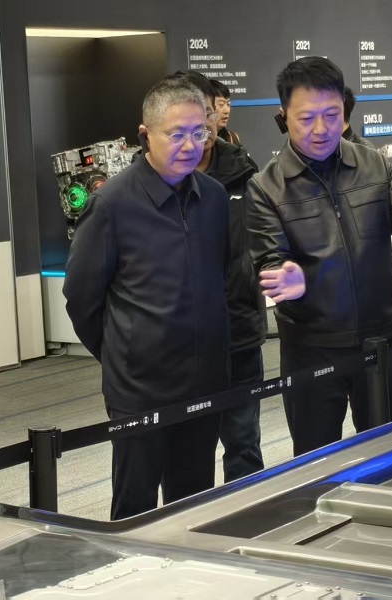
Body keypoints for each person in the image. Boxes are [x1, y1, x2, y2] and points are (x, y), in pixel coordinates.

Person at [246, 57, 392, 457]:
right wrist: (290, 278)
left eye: (332, 115)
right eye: (307, 118)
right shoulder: (266, 187)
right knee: (315, 460)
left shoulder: (372, 162)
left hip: (380, 342)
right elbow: (270, 259)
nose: (321, 129)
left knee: (390, 454)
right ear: (283, 115)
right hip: (311, 348)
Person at [63, 78, 231, 520]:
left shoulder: (213, 197)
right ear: (145, 135)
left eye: (199, 132)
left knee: (193, 505)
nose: (190, 145)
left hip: (205, 381)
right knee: (135, 509)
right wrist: (123, 353)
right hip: (140, 390)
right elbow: (81, 298)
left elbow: (224, 278)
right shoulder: (111, 204)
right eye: (176, 134)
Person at [183, 71, 266, 482]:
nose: (207, 122)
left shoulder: (245, 171)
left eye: (211, 112)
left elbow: (265, 242)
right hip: (181, 345)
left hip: (239, 333)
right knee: (186, 455)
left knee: (244, 444)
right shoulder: (153, 181)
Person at [210, 79, 242, 146]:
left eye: (228, 104)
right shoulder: (198, 139)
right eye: (221, 104)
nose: (227, 111)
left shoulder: (232, 138)